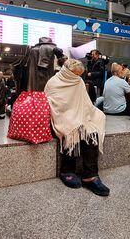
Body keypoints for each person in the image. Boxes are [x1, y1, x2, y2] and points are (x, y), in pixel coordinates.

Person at [44, 59, 109, 196]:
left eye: (79, 75)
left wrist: (83, 116)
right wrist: (71, 116)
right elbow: (53, 105)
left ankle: (90, 175)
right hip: (61, 117)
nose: (78, 77)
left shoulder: (78, 81)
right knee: (71, 129)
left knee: (90, 131)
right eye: (75, 74)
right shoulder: (53, 83)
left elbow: (85, 102)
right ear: (67, 71)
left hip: (79, 114)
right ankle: (67, 170)